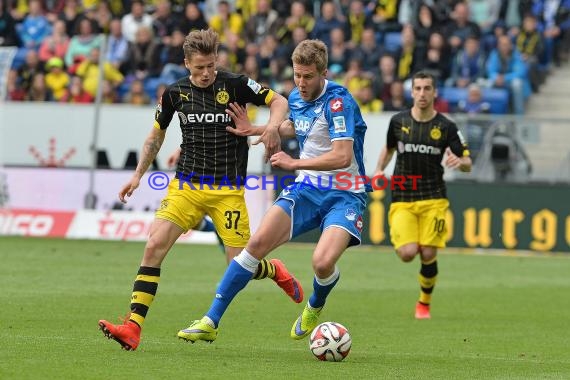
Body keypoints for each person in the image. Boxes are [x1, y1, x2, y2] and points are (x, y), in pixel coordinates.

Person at [98, 29, 303, 351]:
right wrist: (138, 175)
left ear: (216, 60)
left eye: (210, 65)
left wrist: (273, 128)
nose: (206, 73)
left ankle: (272, 268)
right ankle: (132, 327)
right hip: (186, 187)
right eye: (198, 68)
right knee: (154, 246)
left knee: (239, 267)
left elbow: (279, 100)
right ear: (186, 64)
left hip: (228, 191)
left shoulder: (235, 84)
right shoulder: (174, 93)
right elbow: (156, 135)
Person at [177, 39, 370, 344]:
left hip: (345, 193)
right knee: (255, 244)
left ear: (322, 74)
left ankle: (315, 304)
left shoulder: (338, 101)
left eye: (308, 76)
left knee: (321, 262)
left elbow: (342, 156)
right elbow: (296, 126)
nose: (301, 83)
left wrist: (295, 162)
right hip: (307, 189)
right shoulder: (296, 97)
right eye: (297, 75)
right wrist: (254, 129)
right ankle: (210, 320)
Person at [374, 71, 472, 320]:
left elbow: (468, 161)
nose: (422, 93)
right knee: (408, 254)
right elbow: (389, 148)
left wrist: (459, 161)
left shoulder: (447, 126)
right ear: (412, 91)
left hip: (434, 197)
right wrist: (378, 170)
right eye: (417, 88)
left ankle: (423, 304)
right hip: (403, 197)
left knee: (428, 253)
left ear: (434, 92)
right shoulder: (398, 121)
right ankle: (409, 243)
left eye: (427, 88)